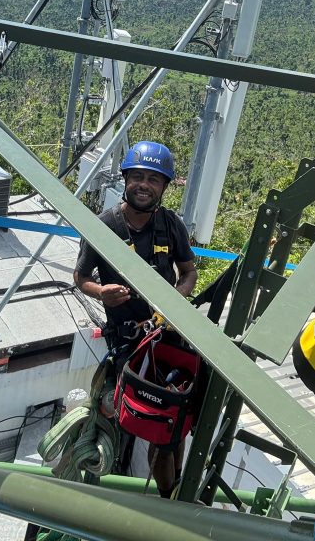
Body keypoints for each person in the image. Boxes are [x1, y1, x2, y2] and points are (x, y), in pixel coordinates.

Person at [73, 141, 197, 497]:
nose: (144, 185)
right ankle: (110, 469)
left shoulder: (170, 225)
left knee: (171, 421)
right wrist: (102, 293)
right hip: (127, 340)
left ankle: (170, 492)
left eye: (154, 180)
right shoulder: (105, 226)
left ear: (163, 187)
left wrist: (176, 298)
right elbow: (80, 278)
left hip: (166, 335)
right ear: (126, 179)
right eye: (138, 177)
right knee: (125, 414)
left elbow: (188, 272)